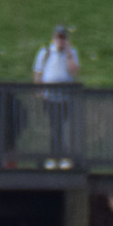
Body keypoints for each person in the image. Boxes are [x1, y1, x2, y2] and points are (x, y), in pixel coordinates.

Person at [34, 25, 80, 160]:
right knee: (55, 125)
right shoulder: (46, 51)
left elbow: (74, 71)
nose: (60, 41)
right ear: (53, 38)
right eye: (58, 37)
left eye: (63, 38)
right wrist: (38, 89)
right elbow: (38, 71)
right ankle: (56, 154)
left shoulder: (71, 53)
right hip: (49, 96)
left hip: (65, 97)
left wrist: (68, 53)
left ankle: (60, 153)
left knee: (62, 126)